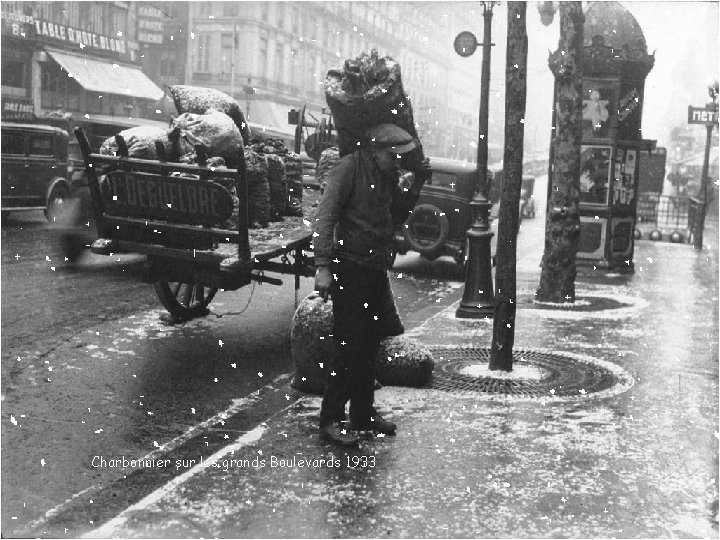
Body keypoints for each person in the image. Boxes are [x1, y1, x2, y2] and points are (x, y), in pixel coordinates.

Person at [312, 123, 430, 446]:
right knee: (347, 346)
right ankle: (331, 419)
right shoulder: (347, 169)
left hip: (374, 269)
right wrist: (322, 266)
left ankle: (362, 414)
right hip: (349, 267)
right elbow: (325, 217)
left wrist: (417, 182)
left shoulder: (386, 176)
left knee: (368, 345)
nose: (397, 163)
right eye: (392, 156)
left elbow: (396, 217)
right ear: (375, 150)